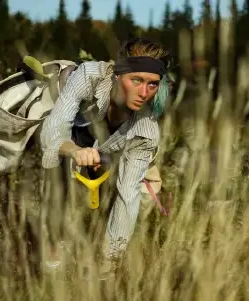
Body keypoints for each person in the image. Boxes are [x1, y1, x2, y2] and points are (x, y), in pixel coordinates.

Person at [39, 38, 172, 279]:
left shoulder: (146, 130)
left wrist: (110, 261)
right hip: (72, 134)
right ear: (118, 75)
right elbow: (52, 132)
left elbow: (127, 197)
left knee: (126, 193)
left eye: (152, 85)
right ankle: (53, 244)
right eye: (137, 81)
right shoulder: (89, 77)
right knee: (54, 162)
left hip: (110, 149)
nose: (144, 93)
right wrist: (74, 150)